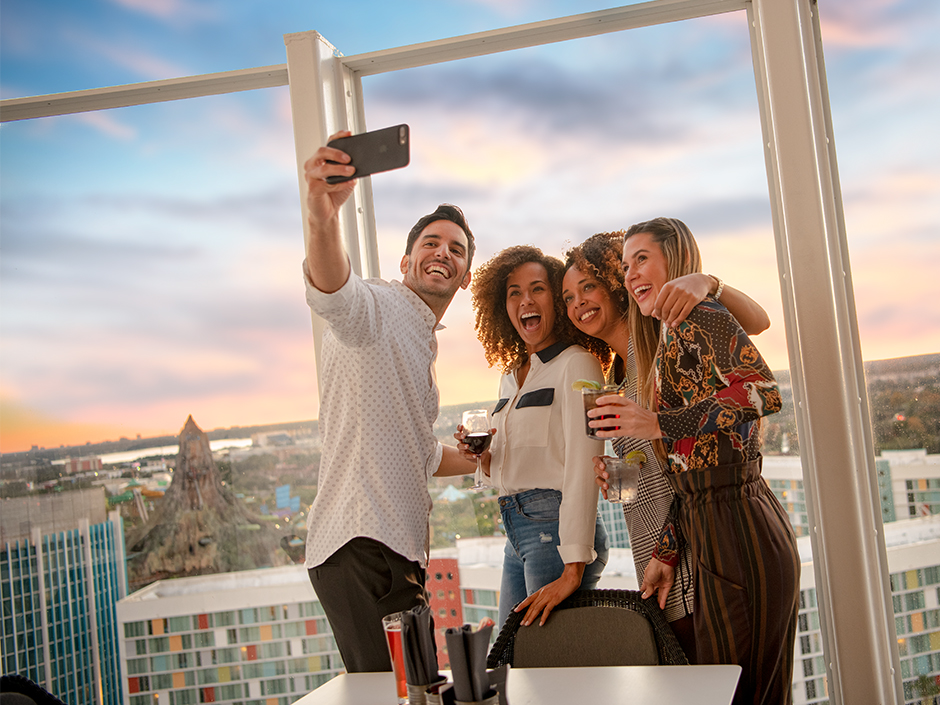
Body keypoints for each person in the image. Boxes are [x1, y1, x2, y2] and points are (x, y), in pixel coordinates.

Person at [590, 217, 799, 705]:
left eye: (643, 258)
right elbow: (691, 474)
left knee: (741, 694)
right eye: (625, 265)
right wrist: (666, 553)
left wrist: (660, 424)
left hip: (739, 523)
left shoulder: (699, 314)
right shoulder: (668, 336)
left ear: (676, 259)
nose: (631, 274)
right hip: (713, 525)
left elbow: (763, 392)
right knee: (737, 692)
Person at [301, 131, 478, 673]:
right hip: (361, 542)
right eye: (431, 243)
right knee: (392, 692)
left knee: (416, 688)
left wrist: (492, 455)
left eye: (456, 249)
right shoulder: (376, 306)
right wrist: (321, 211)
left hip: (393, 549)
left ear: (466, 276)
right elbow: (335, 288)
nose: (442, 253)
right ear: (405, 262)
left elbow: (423, 455)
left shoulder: (422, 341)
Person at [561, 231, 771, 662]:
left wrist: (707, 282)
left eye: (588, 286)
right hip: (654, 554)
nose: (578, 302)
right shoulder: (616, 375)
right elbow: (664, 458)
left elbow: (756, 327)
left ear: (615, 285)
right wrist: (621, 474)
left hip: (693, 549)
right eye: (568, 297)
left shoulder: (657, 339)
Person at [458, 245, 609, 628]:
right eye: (514, 292)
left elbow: (582, 465)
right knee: (512, 662)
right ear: (503, 307)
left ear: (557, 299)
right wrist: (483, 457)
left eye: (537, 288)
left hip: (557, 535)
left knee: (543, 666)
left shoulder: (578, 363)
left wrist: (573, 566)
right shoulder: (511, 376)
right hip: (517, 532)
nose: (525, 299)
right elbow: (514, 467)